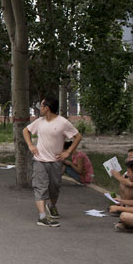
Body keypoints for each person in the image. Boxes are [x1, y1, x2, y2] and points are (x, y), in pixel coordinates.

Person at [23, 97, 82, 227]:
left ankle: (52, 206)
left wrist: (68, 152)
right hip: (39, 160)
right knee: (40, 187)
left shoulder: (63, 123)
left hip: (56, 161)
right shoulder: (39, 122)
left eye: (41, 106)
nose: (39, 108)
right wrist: (30, 145)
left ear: (47, 108)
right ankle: (42, 216)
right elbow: (25, 131)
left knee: (54, 187)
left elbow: (78, 136)